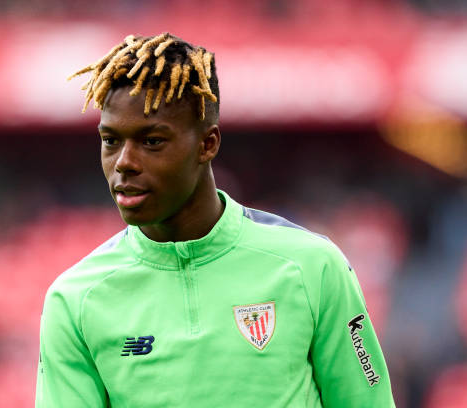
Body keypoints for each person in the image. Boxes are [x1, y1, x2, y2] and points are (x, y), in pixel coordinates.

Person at [36, 33, 395, 407]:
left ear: (207, 144)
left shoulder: (312, 266)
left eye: (152, 141)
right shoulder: (76, 298)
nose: (124, 162)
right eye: (111, 140)